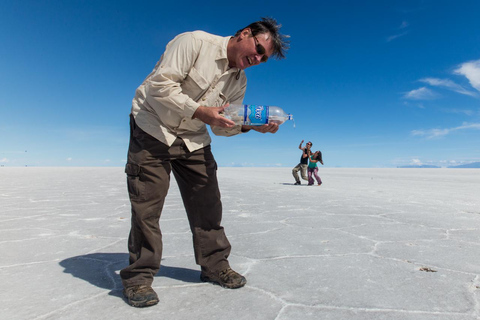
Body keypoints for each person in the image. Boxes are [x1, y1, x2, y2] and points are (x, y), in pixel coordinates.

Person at [120, 18, 290, 308]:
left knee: (208, 204)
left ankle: (214, 266)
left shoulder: (240, 80)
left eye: (263, 58)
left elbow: (222, 126)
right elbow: (160, 85)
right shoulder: (194, 42)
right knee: (147, 206)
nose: (258, 59)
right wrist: (201, 111)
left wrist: (250, 125)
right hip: (152, 127)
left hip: (193, 139)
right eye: (258, 49)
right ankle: (138, 278)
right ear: (245, 33)